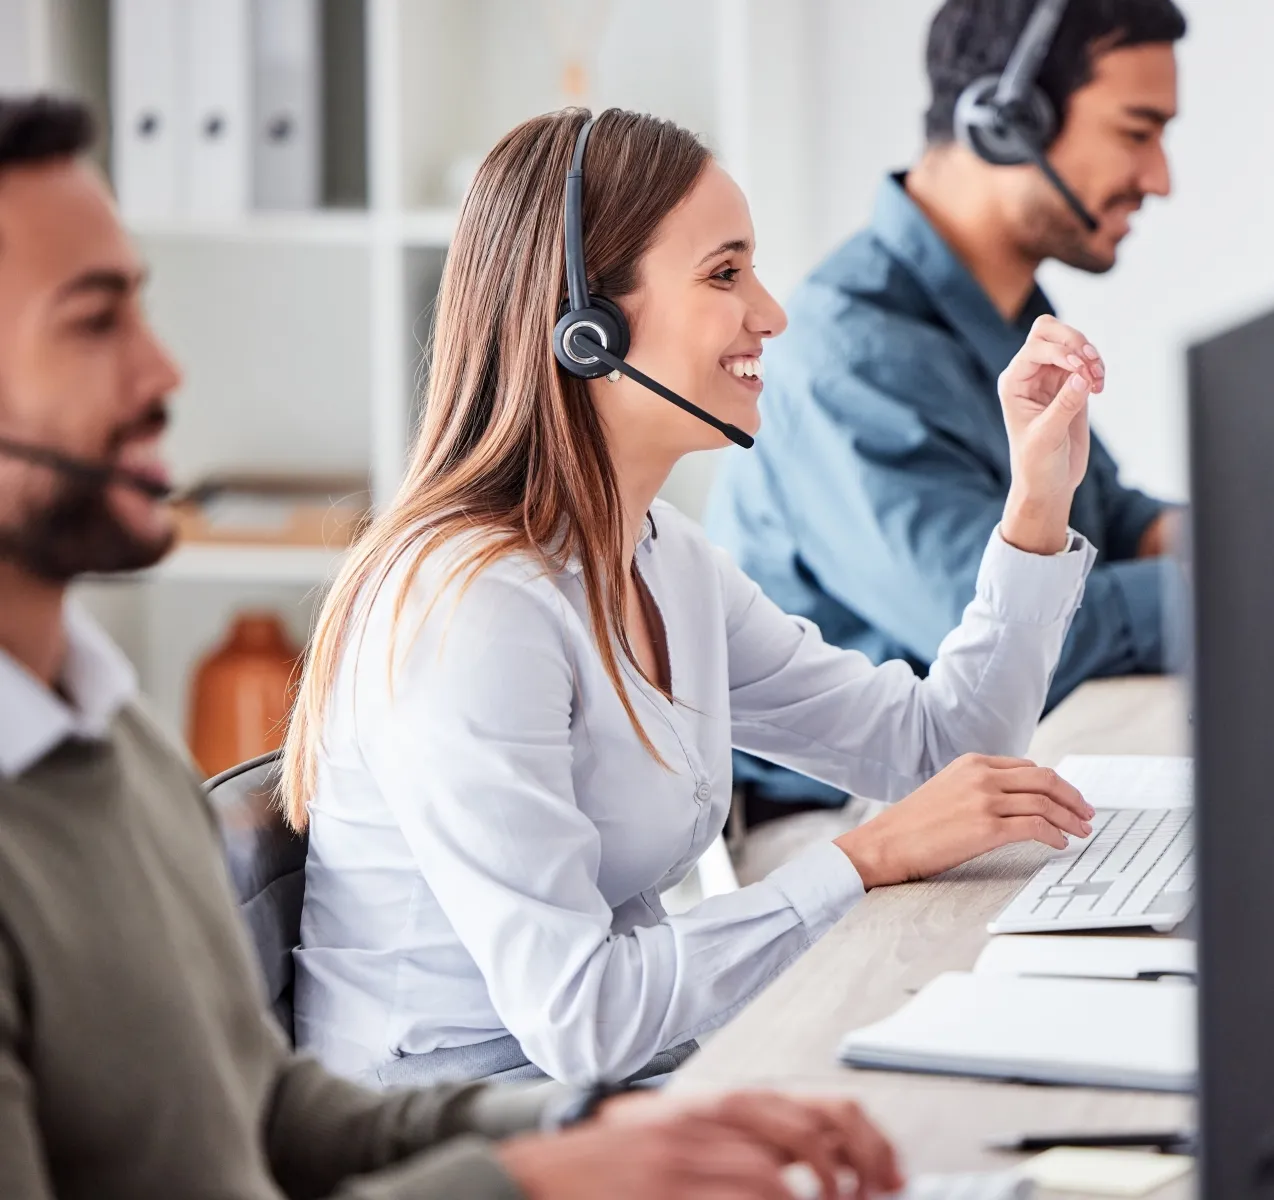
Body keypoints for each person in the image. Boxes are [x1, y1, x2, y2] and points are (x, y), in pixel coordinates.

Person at [0, 93, 906, 1200]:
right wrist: (532, 1177)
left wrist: (596, 1130)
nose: (166, 374)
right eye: (95, 323)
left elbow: (273, 1112)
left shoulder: (117, 748)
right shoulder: (474, 603)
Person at [283, 106, 1104, 1089]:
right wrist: (862, 858)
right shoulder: (472, 611)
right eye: (724, 274)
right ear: (586, 329)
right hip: (469, 1139)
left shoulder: (663, 558)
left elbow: (937, 747)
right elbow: (580, 1020)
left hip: (622, 1095)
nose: (773, 311)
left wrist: (1036, 504)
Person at [704, 0, 1188, 856]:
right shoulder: (848, 357)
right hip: (840, 819)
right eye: (1136, 131)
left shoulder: (1000, 310)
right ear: (1007, 120)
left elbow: (1116, 523)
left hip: (982, 763)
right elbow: (1033, 633)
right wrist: (1259, 584)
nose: (1159, 178)